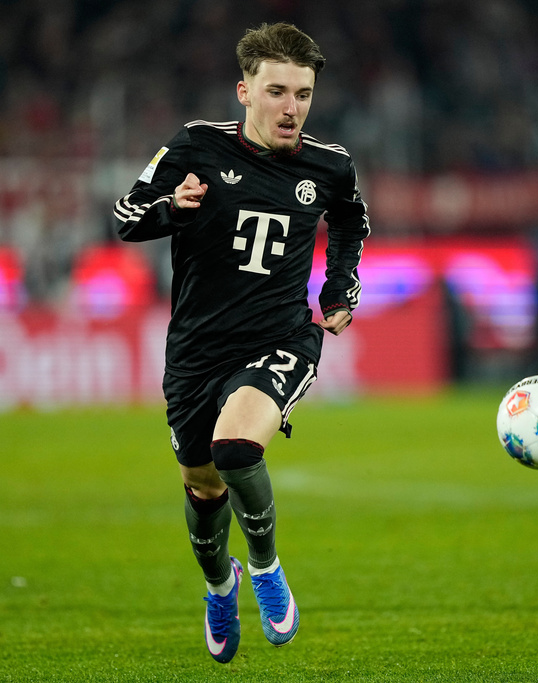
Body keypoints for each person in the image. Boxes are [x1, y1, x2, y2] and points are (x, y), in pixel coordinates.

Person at [111, 22, 370, 663]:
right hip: (196, 353)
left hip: (280, 338)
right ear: (244, 91)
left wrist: (340, 286)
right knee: (202, 485)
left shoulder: (329, 165)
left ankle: (264, 567)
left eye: (303, 94)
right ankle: (219, 584)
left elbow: (351, 219)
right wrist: (175, 206)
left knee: (235, 446)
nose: (292, 108)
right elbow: (124, 217)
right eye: (278, 91)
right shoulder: (195, 147)